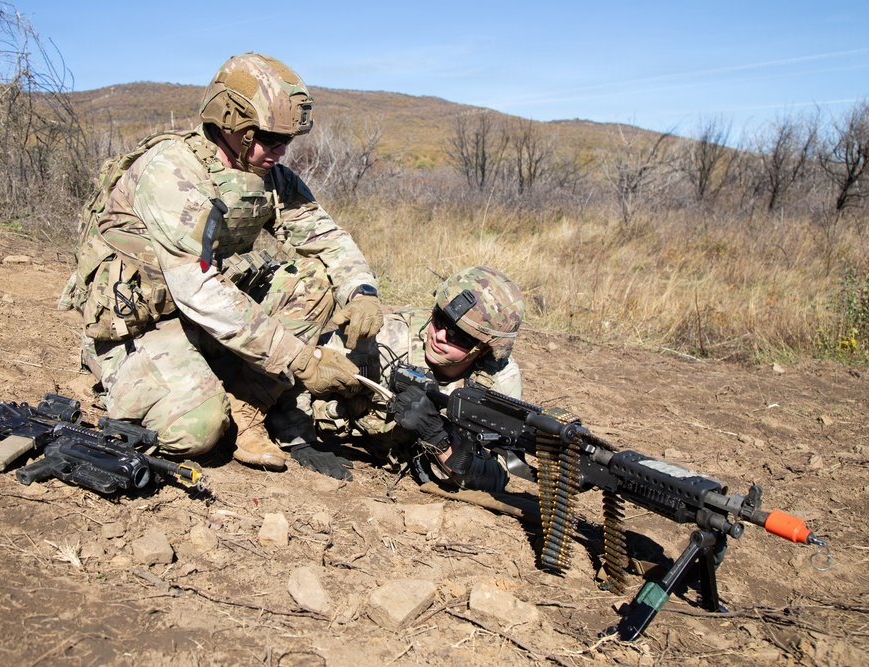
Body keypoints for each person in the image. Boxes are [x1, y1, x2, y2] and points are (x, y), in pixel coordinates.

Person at [57, 52, 384, 470]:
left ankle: (247, 408)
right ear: (234, 124)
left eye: (288, 141)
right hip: (146, 322)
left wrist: (363, 292)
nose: (281, 151)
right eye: (270, 138)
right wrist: (299, 360)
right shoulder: (171, 171)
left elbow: (326, 238)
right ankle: (120, 372)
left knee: (313, 283)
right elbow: (198, 287)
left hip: (203, 317)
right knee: (198, 431)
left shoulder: (268, 176)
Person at [304, 266, 526, 493]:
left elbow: (497, 478)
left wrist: (436, 435)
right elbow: (305, 364)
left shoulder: (497, 383)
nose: (440, 336)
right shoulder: (390, 336)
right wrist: (296, 436)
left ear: (483, 349)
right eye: (440, 319)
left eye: (458, 336)